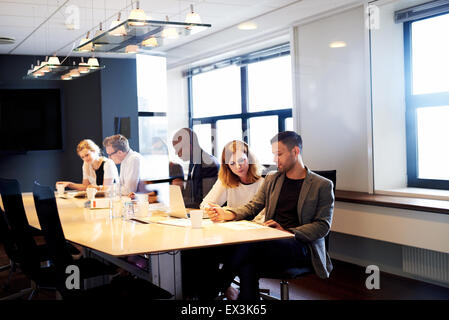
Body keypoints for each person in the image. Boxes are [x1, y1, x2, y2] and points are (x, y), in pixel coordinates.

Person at [207, 131, 334, 300]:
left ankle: (212, 291)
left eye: (279, 154)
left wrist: (288, 231)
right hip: (270, 242)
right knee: (247, 264)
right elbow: (253, 207)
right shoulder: (272, 179)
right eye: (274, 154)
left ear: (295, 152)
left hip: (299, 245)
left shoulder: (322, 185)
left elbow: (323, 225)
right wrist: (228, 213)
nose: (275, 159)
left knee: (248, 246)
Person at [183, 140, 265, 300]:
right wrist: (213, 211)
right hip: (232, 236)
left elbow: (263, 217)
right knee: (198, 249)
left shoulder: (263, 183)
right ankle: (207, 292)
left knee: (238, 252)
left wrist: (227, 212)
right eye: (232, 163)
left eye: (241, 160)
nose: (238, 167)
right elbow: (205, 205)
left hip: (254, 239)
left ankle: (215, 288)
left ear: (250, 158)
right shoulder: (226, 181)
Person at [172, 128, 219, 208]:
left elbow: (205, 202)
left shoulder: (208, 164)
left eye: (178, 149)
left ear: (189, 146)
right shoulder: (194, 162)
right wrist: (180, 189)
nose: (176, 153)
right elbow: (191, 197)